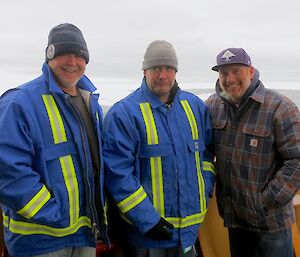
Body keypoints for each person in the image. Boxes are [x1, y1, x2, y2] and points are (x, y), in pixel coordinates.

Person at [0, 23, 107, 257]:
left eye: (79, 55)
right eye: (63, 53)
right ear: (49, 56)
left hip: (84, 233)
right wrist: (54, 213)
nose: (72, 61)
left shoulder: (91, 103)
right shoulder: (19, 103)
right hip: (40, 240)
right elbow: (8, 171)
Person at [102, 40, 215, 257]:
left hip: (188, 235)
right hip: (147, 239)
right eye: (156, 68)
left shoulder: (195, 107)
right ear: (145, 71)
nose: (163, 75)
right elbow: (117, 174)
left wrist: (205, 188)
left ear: (176, 71)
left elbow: (207, 154)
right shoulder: (125, 114)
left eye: (169, 68)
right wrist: (149, 221)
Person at [206, 47, 300, 257]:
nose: (229, 79)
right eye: (223, 73)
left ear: (250, 71)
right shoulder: (212, 105)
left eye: (236, 71)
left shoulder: (280, 107)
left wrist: (265, 201)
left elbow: (297, 160)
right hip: (234, 220)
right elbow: (203, 150)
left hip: (270, 222)